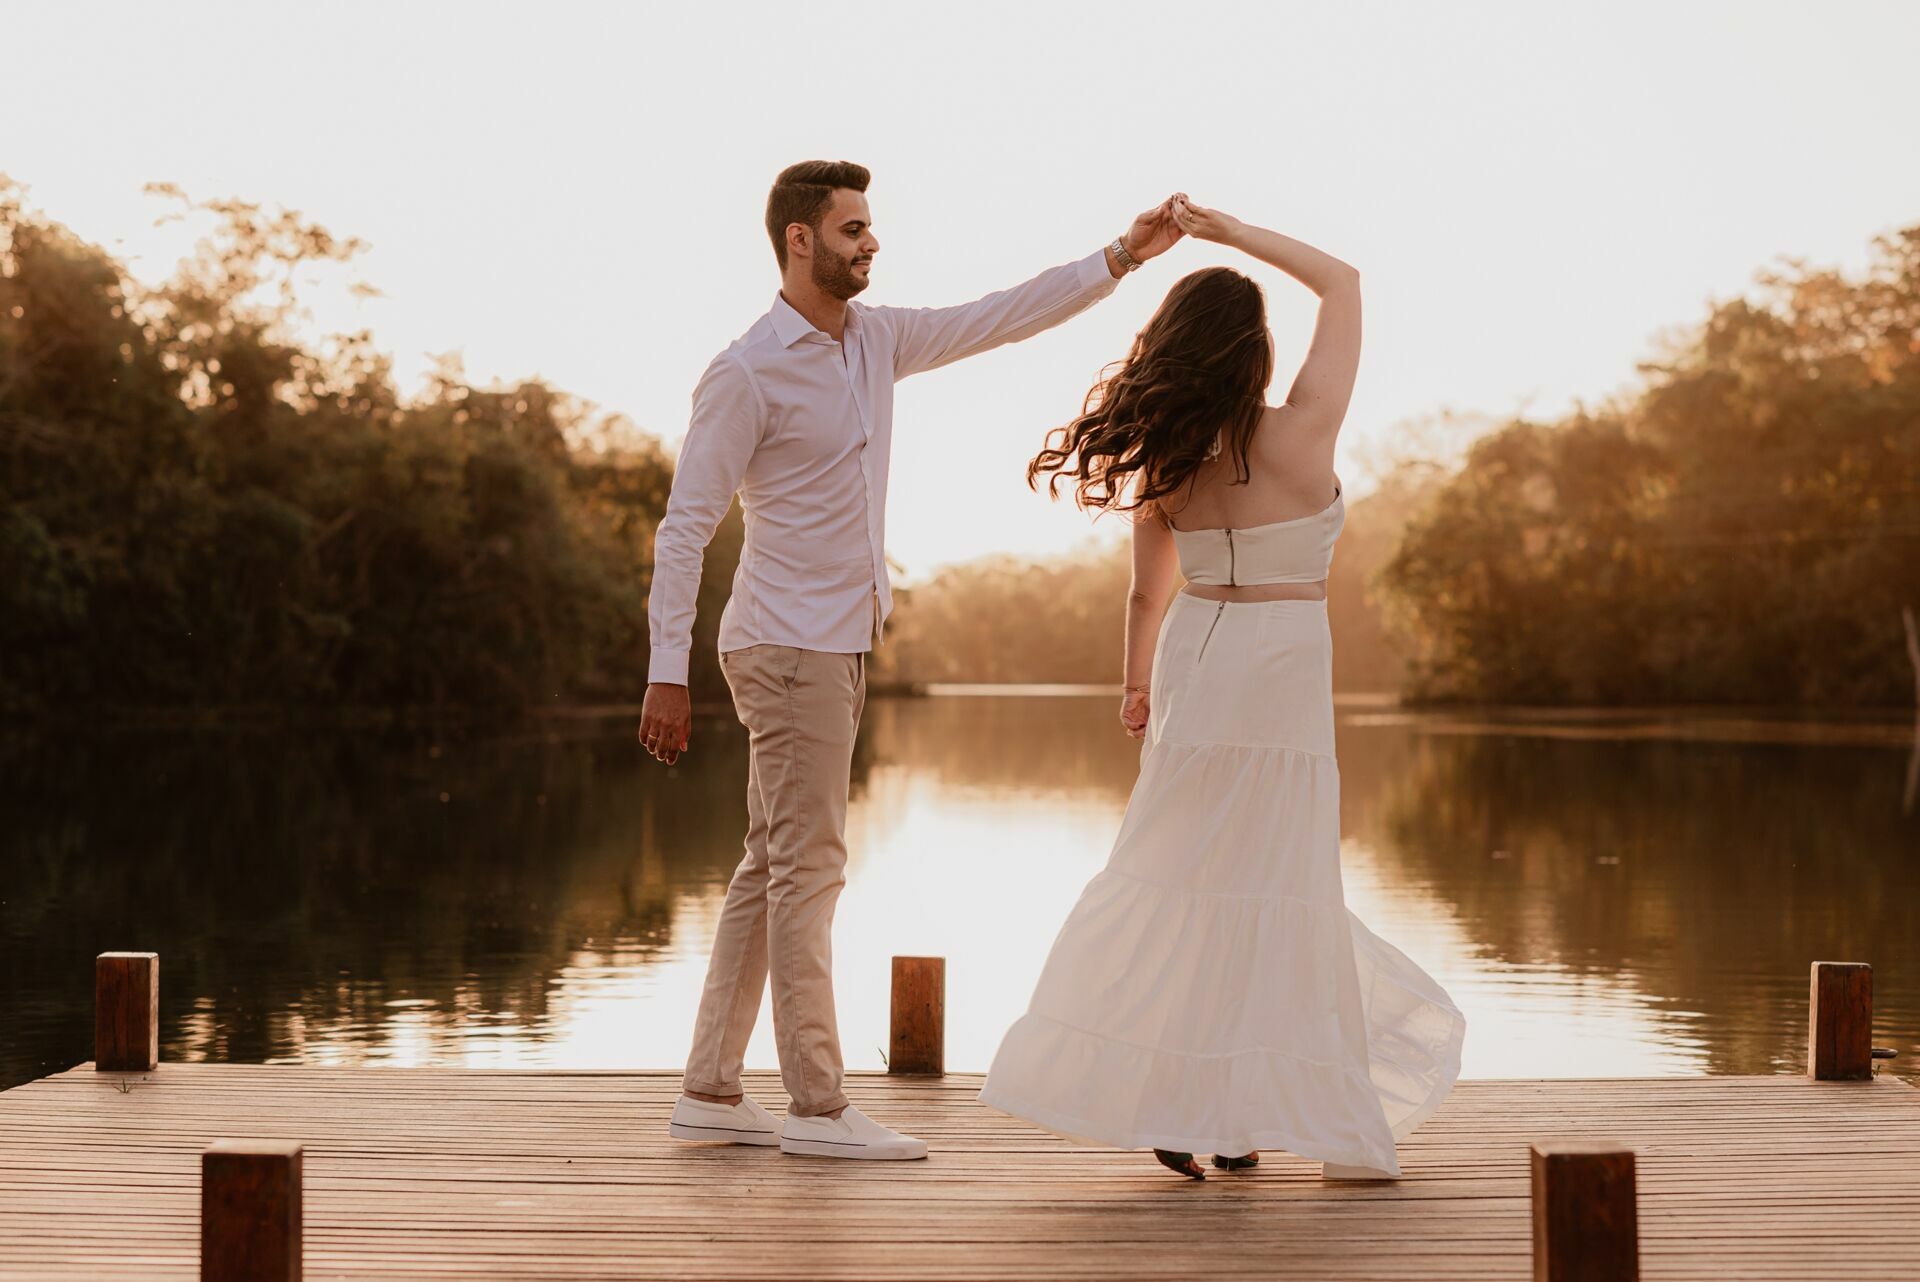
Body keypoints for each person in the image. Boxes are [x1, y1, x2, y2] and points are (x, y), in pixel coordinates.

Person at [641, 160, 1185, 1160]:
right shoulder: (746, 370)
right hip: (786, 641)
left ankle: (712, 1089)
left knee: (773, 866)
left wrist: (1120, 256)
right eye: (853, 229)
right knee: (812, 866)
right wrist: (663, 668)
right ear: (800, 239)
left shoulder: (877, 341)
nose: (871, 242)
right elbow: (685, 529)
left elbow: (1000, 314)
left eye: (869, 228)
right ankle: (816, 1108)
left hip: (835, 638)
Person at [979, 196, 1465, 1180]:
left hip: (1198, 660)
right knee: (1279, 887)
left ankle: (1207, 1106)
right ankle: (1249, 1110)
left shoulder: (1166, 460)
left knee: (1192, 882)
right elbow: (1345, 281)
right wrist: (1229, 230)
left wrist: (1134, 689)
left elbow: (1142, 596)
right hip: (1282, 665)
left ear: (1174, 350)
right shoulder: (1305, 433)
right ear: (1253, 352)